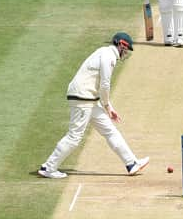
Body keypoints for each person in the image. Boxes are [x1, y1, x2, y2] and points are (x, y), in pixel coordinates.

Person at [38, 32, 150, 179]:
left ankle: (131, 163)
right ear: (121, 45)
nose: (126, 53)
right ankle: (49, 168)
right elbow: (105, 84)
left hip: (88, 98)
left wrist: (108, 106)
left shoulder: (104, 52)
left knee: (110, 130)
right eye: (126, 49)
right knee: (74, 136)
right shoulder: (108, 56)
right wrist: (107, 106)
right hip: (82, 98)